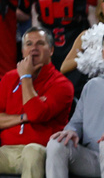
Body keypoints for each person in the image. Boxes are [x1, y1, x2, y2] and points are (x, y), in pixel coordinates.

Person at [0, 27, 74, 178]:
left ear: (51, 50)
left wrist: (26, 77)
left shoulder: (62, 84)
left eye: (40, 43)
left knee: (32, 151)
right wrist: (23, 117)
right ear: (22, 51)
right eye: (29, 44)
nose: (34, 48)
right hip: (5, 152)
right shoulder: (9, 78)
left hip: (40, 151)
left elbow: (36, 114)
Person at [46, 31, 104, 177]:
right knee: (56, 144)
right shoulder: (92, 85)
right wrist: (71, 131)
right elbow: (76, 123)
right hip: (92, 157)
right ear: (103, 54)